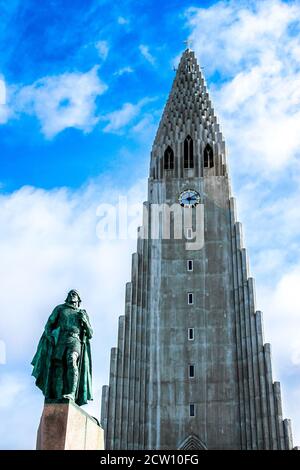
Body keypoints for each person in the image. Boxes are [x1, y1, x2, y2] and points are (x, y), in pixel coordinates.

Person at [31, 290, 93, 406]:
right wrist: (50, 337)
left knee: (71, 361)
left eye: (74, 294)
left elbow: (90, 333)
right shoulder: (60, 309)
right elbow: (49, 325)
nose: (71, 295)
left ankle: (72, 393)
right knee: (58, 367)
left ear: (78, 299)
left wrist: (84, 321)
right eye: (70, 294)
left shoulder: (82, 313)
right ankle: (58, 395)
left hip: (75, 341)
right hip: (61, 341)